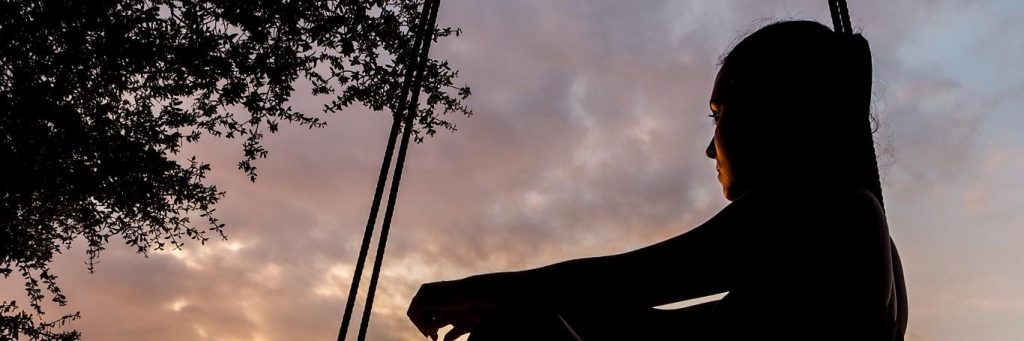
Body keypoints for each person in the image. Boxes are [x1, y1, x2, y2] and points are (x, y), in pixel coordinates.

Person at [407, 20, 908, 340]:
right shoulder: (857, 224)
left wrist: (465, 291)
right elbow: (670, 328)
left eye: (717, 113)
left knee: (513, 329)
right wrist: (508, 304)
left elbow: (622, 282)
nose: (711, 146)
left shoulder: (819, 210)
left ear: (773, 107)